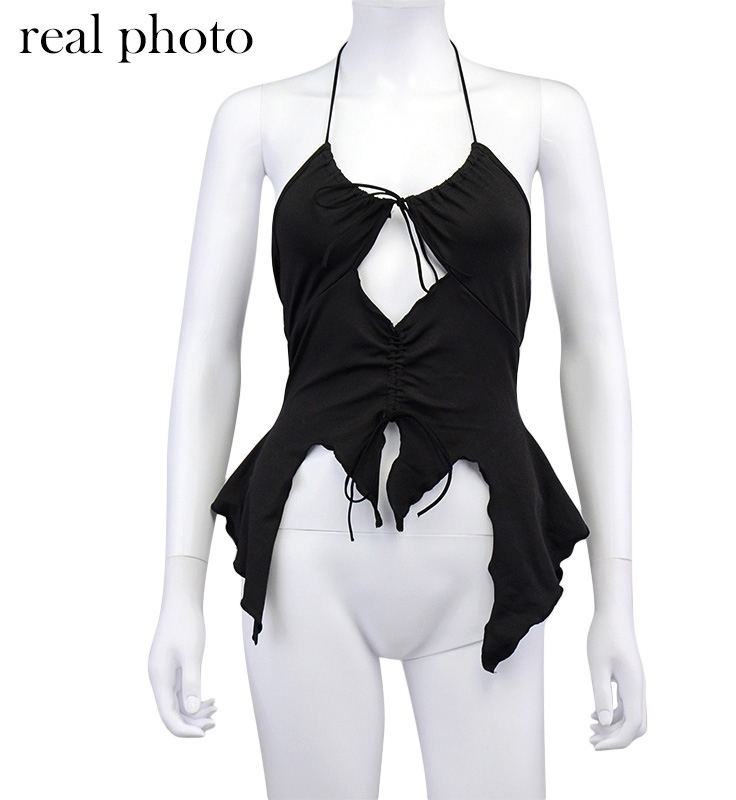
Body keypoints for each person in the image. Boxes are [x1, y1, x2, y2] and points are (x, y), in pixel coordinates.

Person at [149, 2, 646, 797]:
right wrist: (179, 587)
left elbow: (594, 353)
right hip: (309, 550)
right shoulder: (258, 118)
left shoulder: (544, 113)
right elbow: (208, 354)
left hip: (484, 554)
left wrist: (616, 598)